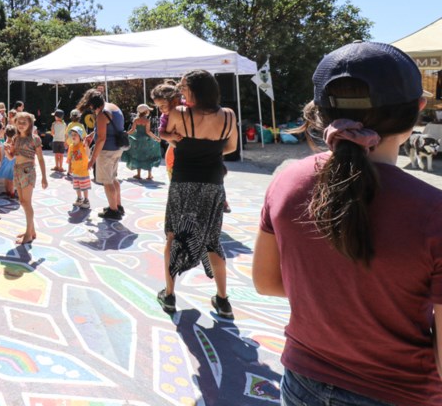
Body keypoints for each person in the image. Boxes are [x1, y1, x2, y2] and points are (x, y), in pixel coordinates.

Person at [253, 41, 442, 406]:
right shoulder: (434, 211)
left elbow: (266, 281)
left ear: (320, 113)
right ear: (417, 109)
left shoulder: (286, 180)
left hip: (302, 381)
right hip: (400, 393)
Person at [157, 69, 237, 318]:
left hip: (183, 182)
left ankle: (169, 295)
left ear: (195, 90)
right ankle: (223, 300)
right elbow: (231, 147)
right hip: (213, 183)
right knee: (212, 239)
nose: (180, 91)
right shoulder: (229, 115)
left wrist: (187, 146)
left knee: (174, 236)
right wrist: (209, 151)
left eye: (183, 87)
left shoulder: (179, 113)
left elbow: (170, 138)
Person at [77, 89, 127, 220]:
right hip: (117, 149)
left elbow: (101, 139)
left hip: (106, 151)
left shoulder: (102, 114)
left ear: (93, 104)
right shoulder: (114, 107)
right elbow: (109, 127)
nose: (91, 110)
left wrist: (92, 159)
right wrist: (92, 134)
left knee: (107, 182)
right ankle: (118, 205)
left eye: (91, 107)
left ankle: (113, 210)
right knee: (113, 178)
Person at [6, 112, 47, 244]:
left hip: (28, 171)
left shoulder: (35, 139)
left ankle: (28, 234)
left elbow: (40, 158)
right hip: (17, 171)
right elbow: (12, 157)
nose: (21, 125)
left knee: (26, 202)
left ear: (30, 124)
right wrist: (7, 150)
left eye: (24, 122)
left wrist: (44, 177)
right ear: (15, 123)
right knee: (23, 202)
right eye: (19, 122)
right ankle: (31, 231)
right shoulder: (16, 139)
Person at [151, 80, 182, 180]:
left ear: (175, 101)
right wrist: (171, 136)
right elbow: (161, 133)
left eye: (163, 106)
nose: (160, 110)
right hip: (174, 154)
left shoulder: (187, 107)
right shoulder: (165, 117)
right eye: (158, 107)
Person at [125, 103, 162, 181]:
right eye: (148, 110)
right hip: (146, 140)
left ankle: (138, 174)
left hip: (137, 140)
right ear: (145, 112)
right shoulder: (147, 121)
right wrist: (156, 138)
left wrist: (125, 134)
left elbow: (132, 130)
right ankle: (149, 175)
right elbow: (148, 132)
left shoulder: (136, 120)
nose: (149, 111)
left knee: (138, 155)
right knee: (148, 155)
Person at [66, 126, 91, 209]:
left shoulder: (83, 145)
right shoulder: (71, 146)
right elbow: (70, 158)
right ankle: (79, 198)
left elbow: (87, 154)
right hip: (75, 171)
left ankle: (86, 200)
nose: (73, 136)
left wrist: (87, 146)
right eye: (72, 134)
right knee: (77, 186)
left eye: (75, 134)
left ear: (80, 136)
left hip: (83, 171)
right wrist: (69, 168)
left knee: (84, 187)